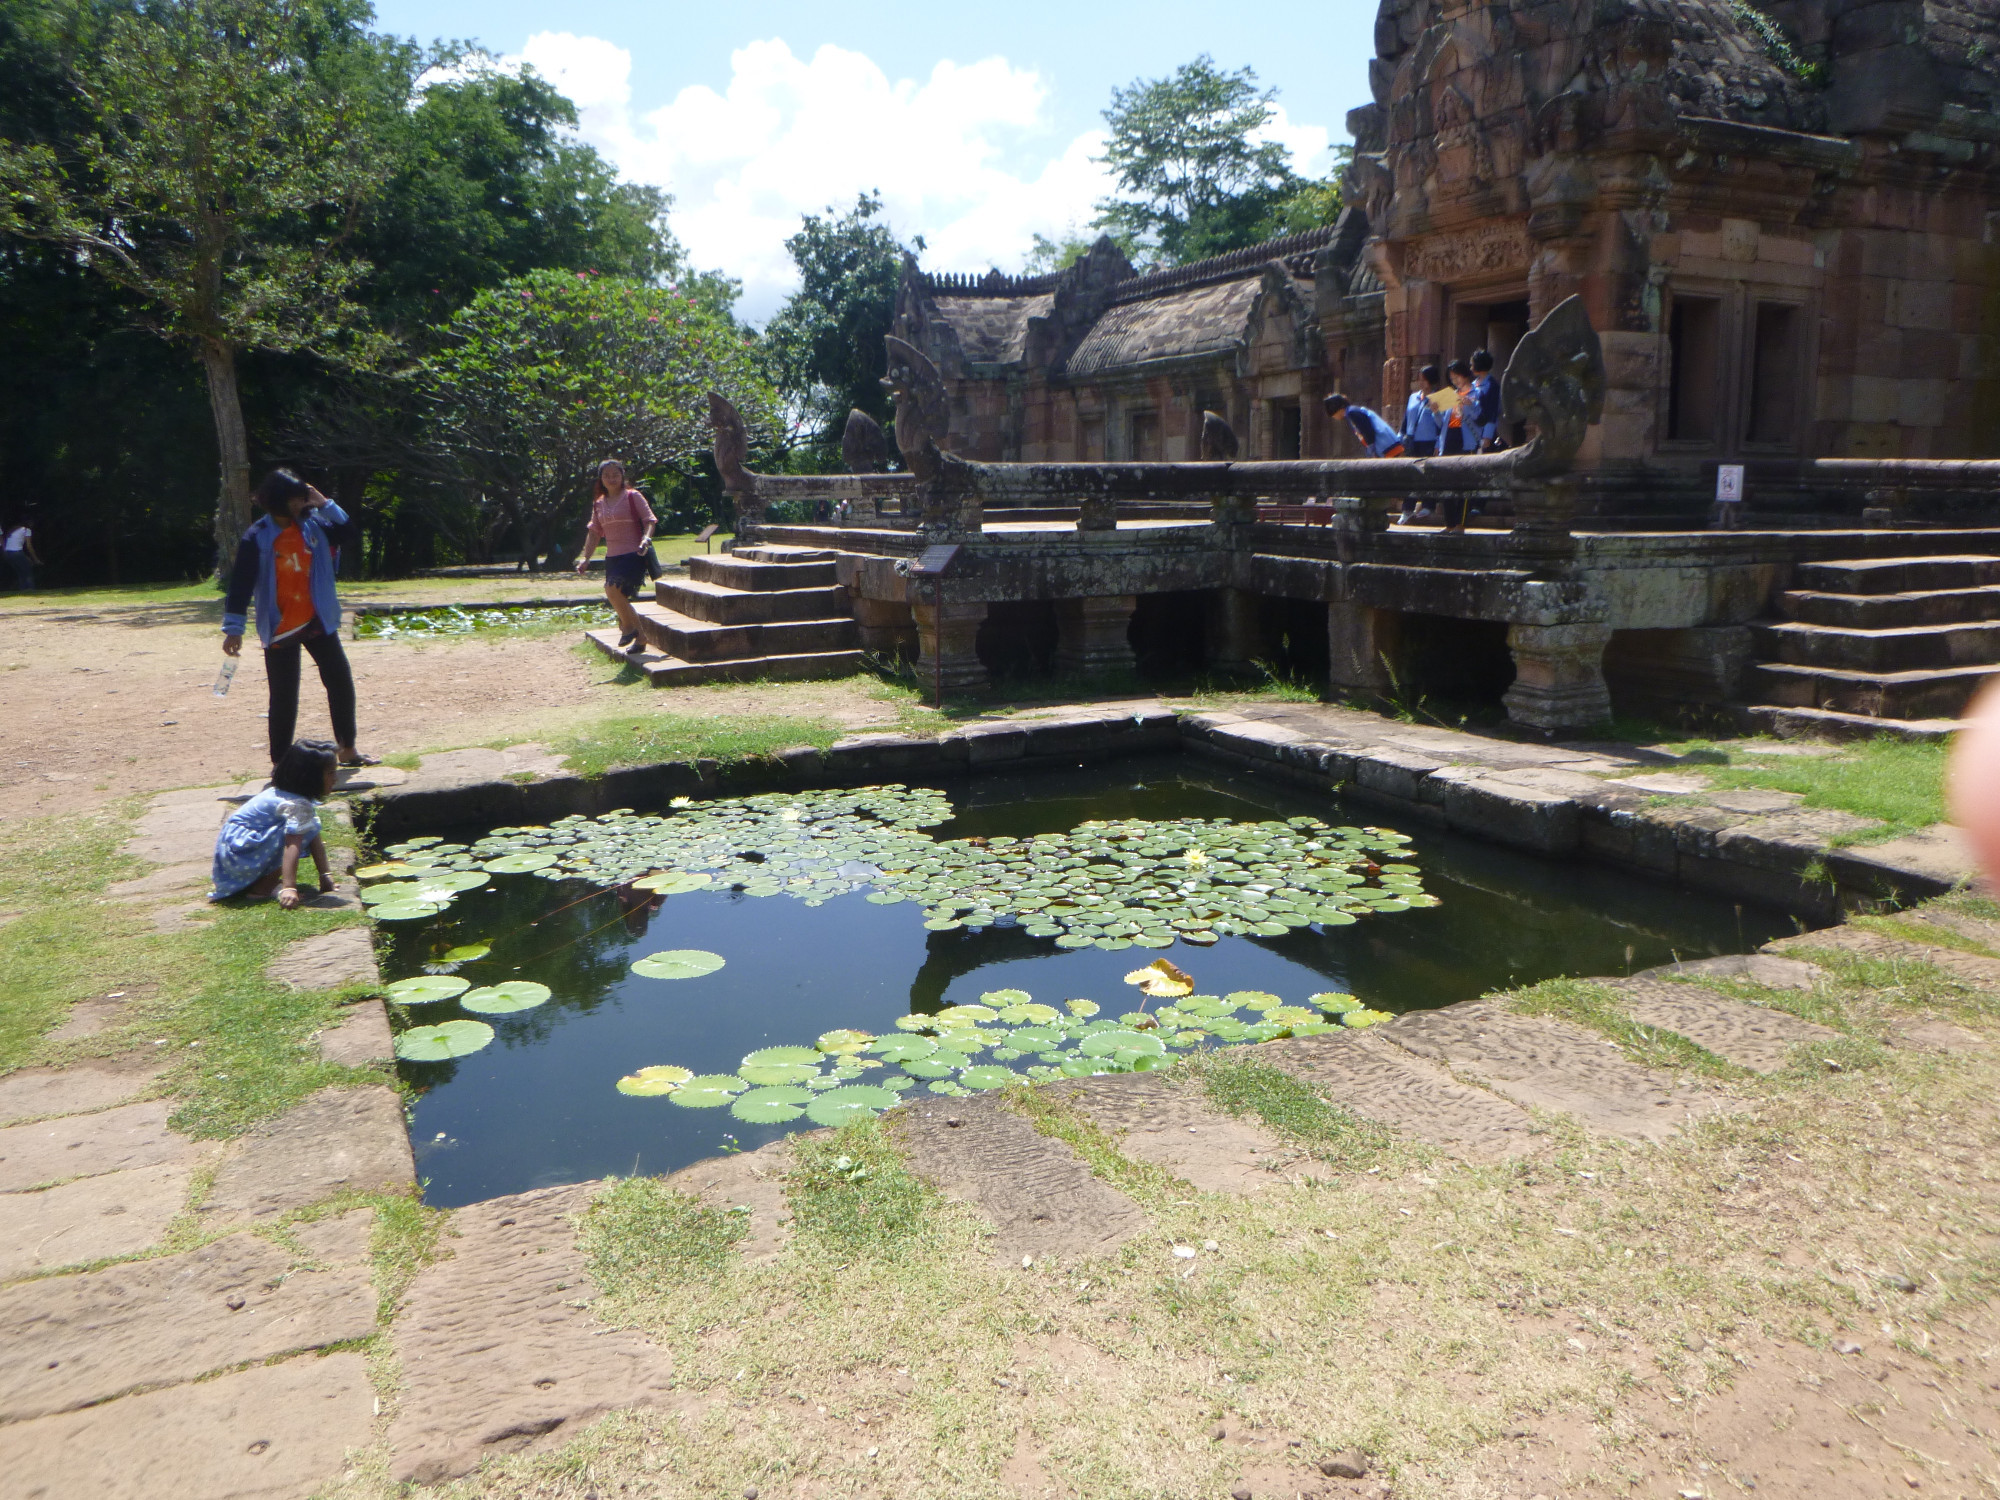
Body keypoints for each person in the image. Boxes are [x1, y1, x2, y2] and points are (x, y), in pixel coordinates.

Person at [222, 470, 377, 770]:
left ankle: (348, 749)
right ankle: (280, 763)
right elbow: (240, 585)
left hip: (317, 620)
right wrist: (233, 629)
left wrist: (324, 502)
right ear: (278, 501)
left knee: (340, 681)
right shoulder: (257, 537)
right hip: (281, 626)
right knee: (284, 696)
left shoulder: (314, 527)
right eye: (296, 498)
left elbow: (348, 532)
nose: (301, 503)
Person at [210, 739, 338, 908]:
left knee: (308, 825)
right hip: (240, 853)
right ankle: (263, 888)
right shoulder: (297, 805)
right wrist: (289, 887)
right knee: (299, 832)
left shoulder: (285, 793)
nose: (336, 778)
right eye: (330, 773)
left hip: (234, 852)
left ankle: (261, 881)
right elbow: (292, 845)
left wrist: (325, 875)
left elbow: (313, 832)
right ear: (309, 777)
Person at [574, 459, 656, 652]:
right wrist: (585, 558)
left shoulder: (632, 496)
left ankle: (628, 628)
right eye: (606, 475)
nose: (611, 479)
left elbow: (650, 520)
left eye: (615, 475)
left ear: (622, 476)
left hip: (634, 554)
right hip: (612, 558)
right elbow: (594, 532)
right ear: (601, 479)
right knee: (619, 597)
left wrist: (646, 538)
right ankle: (641, 638)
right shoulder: (598, 504)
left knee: (611, 589)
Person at [1322, 394, 1404, 457]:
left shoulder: (1352, 412)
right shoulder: (1353, 411)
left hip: (1387, 448)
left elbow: (1367, 430)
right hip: (1388, 447)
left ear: (1337, 409)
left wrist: (1371, 449)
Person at [1401, 366, 1445, 459]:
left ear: (1431, 380)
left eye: (1423, 380)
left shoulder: (1438, 398)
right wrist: (1400, 438)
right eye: (1419, 379)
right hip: (1411, 441)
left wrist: (1438, 445)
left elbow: (1441, 425)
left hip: (1428, 443)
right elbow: (1406, 419)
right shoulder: (1412, 397)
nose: (1420, 382)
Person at [1468, 349, 1502, 453]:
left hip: (1483, 431)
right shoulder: (1473, 384)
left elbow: (1492, 411)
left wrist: (1487, 435)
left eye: (1472, 365)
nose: (1471, 368)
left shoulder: (1492, 385)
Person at [3, 513, 41, 590]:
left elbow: (14, 545)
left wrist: (26, 557)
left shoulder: (14, 529)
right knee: (28, 571)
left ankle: (22, 590)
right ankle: (30, 589)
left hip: (8, 553)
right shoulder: (27, 530)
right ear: (29, 522)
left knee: (21, 572)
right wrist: (36, 559)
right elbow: (29, 546)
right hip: (16, 553)